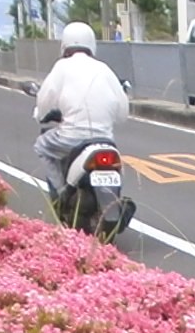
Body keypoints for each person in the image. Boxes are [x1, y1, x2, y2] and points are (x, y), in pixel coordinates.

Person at [32, 21, 130, 202]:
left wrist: (40, 115)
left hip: (71, 138)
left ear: (64, 45)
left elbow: (44, 101)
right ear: (92, 44)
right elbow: (123, 113)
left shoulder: (62, 67)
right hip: (105, 141)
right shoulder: (105, 69)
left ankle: (61, 193)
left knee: (42, 146)